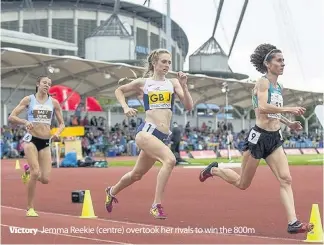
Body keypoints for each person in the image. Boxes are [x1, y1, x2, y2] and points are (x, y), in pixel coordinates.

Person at [199, 43, 314, 234]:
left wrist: (289, 123)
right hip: (258, 138)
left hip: (274, 139)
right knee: (243, 183)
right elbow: (263, 108)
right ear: (268, 64)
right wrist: (290, 109)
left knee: (286, 178)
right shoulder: (263, 82)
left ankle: (292, 222)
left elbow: (274, 112)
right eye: (279, 60)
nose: (283, 64)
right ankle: (215, 169)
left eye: (283, 60)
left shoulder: (279, 86)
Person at [105, 48, 193, 219]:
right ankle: (156, 205)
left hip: (160, 136)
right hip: (146, 133)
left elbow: (189, 106)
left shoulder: (173, 83)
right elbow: (119, 90)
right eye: (164, 61)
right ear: (154, 63)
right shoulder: (143, 82)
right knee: (170, 160)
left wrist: (184, 85)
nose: (167, 65)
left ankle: (111, 191)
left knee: (136, 175)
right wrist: (125, 107)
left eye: (169, 62)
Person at [8, 75, 65, 217]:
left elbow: (62, 123)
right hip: (31, 140)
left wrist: (58, 132)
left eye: (49, 84)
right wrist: (24, 121)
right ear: (38, 84)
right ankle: (30, 208)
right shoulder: (29, 100)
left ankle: (27, 172)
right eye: (44, 83)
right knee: (35, 172)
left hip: (45, 141)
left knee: (45, 179)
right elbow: (11, 116)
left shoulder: (54, 102)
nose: (47, 85)